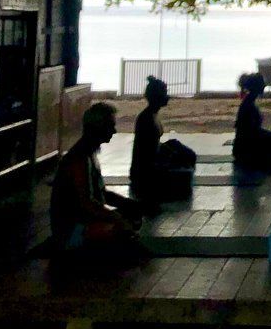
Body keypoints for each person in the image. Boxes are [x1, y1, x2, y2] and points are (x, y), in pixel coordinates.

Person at [50, 102, 145, 263]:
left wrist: (127, 204)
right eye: (110, 126)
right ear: (97, 127)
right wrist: (116, 217)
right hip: (70, 232)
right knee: (122, 231)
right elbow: (87, 202)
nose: (114, 131)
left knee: (130, 217)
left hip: (78, 224)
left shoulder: (88, 154)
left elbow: (100, 193)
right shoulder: (80, 158)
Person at [130, 76, 197, 207]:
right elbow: (146, 155)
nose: (167, 96)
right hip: (145, 173)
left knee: (182, 151)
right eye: (165, 93)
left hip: (149, 165)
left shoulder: (151, 115)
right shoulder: (147, 119)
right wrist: (169, 159)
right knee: (185, 170)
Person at [232, 71, 271, 172]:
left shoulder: (249, 102)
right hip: (245, 148)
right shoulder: (249, 105)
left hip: (242, 146)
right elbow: (252, 133)